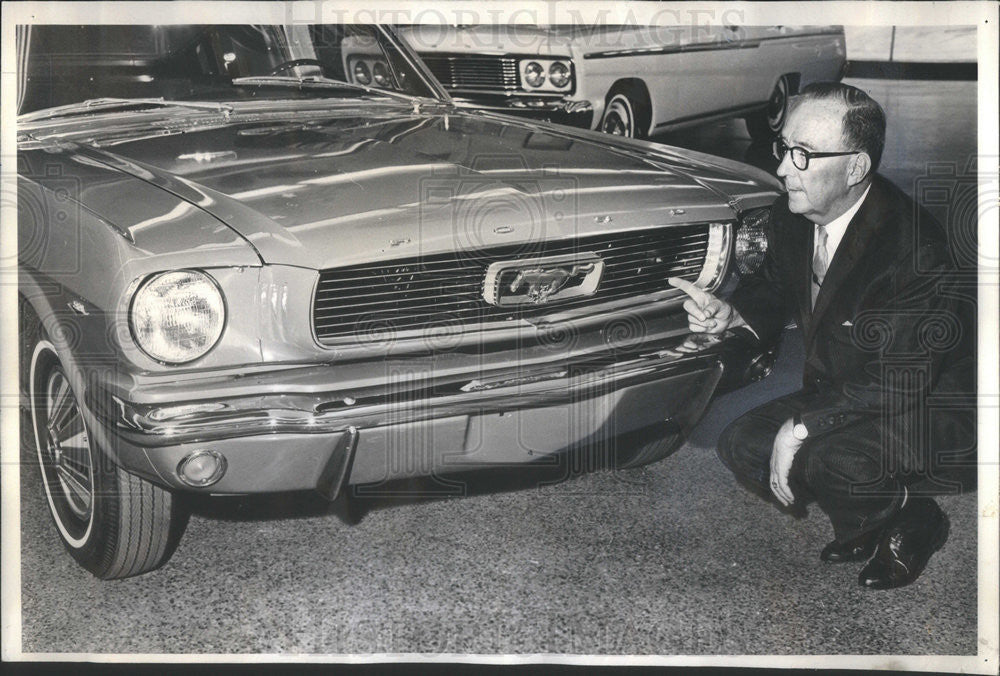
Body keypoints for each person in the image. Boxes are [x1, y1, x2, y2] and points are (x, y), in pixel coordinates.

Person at [669, 81, 976, 590]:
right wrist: (730, 314)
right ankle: (866, 518)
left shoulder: (914, 248)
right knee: (744, 445)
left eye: (805, 154)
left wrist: (801, 428)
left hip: (931, 400)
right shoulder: (794, 215)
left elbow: (899, 380)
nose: (784, 168)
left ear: (855, 168)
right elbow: (772, 285)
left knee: (833, 457)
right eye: (784, 148)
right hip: (849, 381)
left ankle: (915, 516)